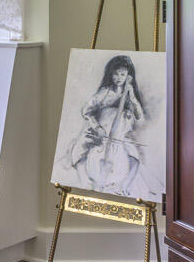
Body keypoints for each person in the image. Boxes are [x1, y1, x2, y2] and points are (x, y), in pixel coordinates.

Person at [61, 54, 165, 201]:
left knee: (135, 158)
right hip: (100, 132)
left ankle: (124, 185)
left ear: (129, 76)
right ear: (111, 74)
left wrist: (132, 96)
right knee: (80, 150)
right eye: (116, 73)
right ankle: (84, 180)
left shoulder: (129, 94)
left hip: (119, 136)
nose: (119, 77)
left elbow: (139, 116)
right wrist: (97, 128)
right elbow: (86, 111)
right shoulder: (105, 91)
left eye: (123, 74)